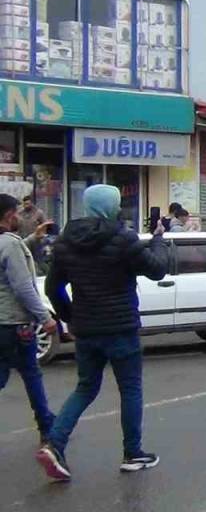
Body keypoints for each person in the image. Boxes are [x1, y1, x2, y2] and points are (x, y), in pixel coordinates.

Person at [38, 184, 169, 481]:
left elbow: (53, 288)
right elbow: (158, 269)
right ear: (113, 206)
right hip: (121, 327)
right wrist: (159, 238)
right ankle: (133, 453)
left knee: (85, 388)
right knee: (130, 389)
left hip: (86, 328)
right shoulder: (123, 238)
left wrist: (71, 318)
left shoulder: (64, 242)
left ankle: (54, 443)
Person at [0, 194, 58, 447]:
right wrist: (45, 317)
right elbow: (23, 288)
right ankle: (47, 426)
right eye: (15, 212)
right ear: (7, 215)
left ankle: (47, 421)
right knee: (31, 374)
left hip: (2, 323)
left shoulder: (8, 243)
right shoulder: (10, 245)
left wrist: (34, 238)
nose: (18, 216)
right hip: (15, 323)